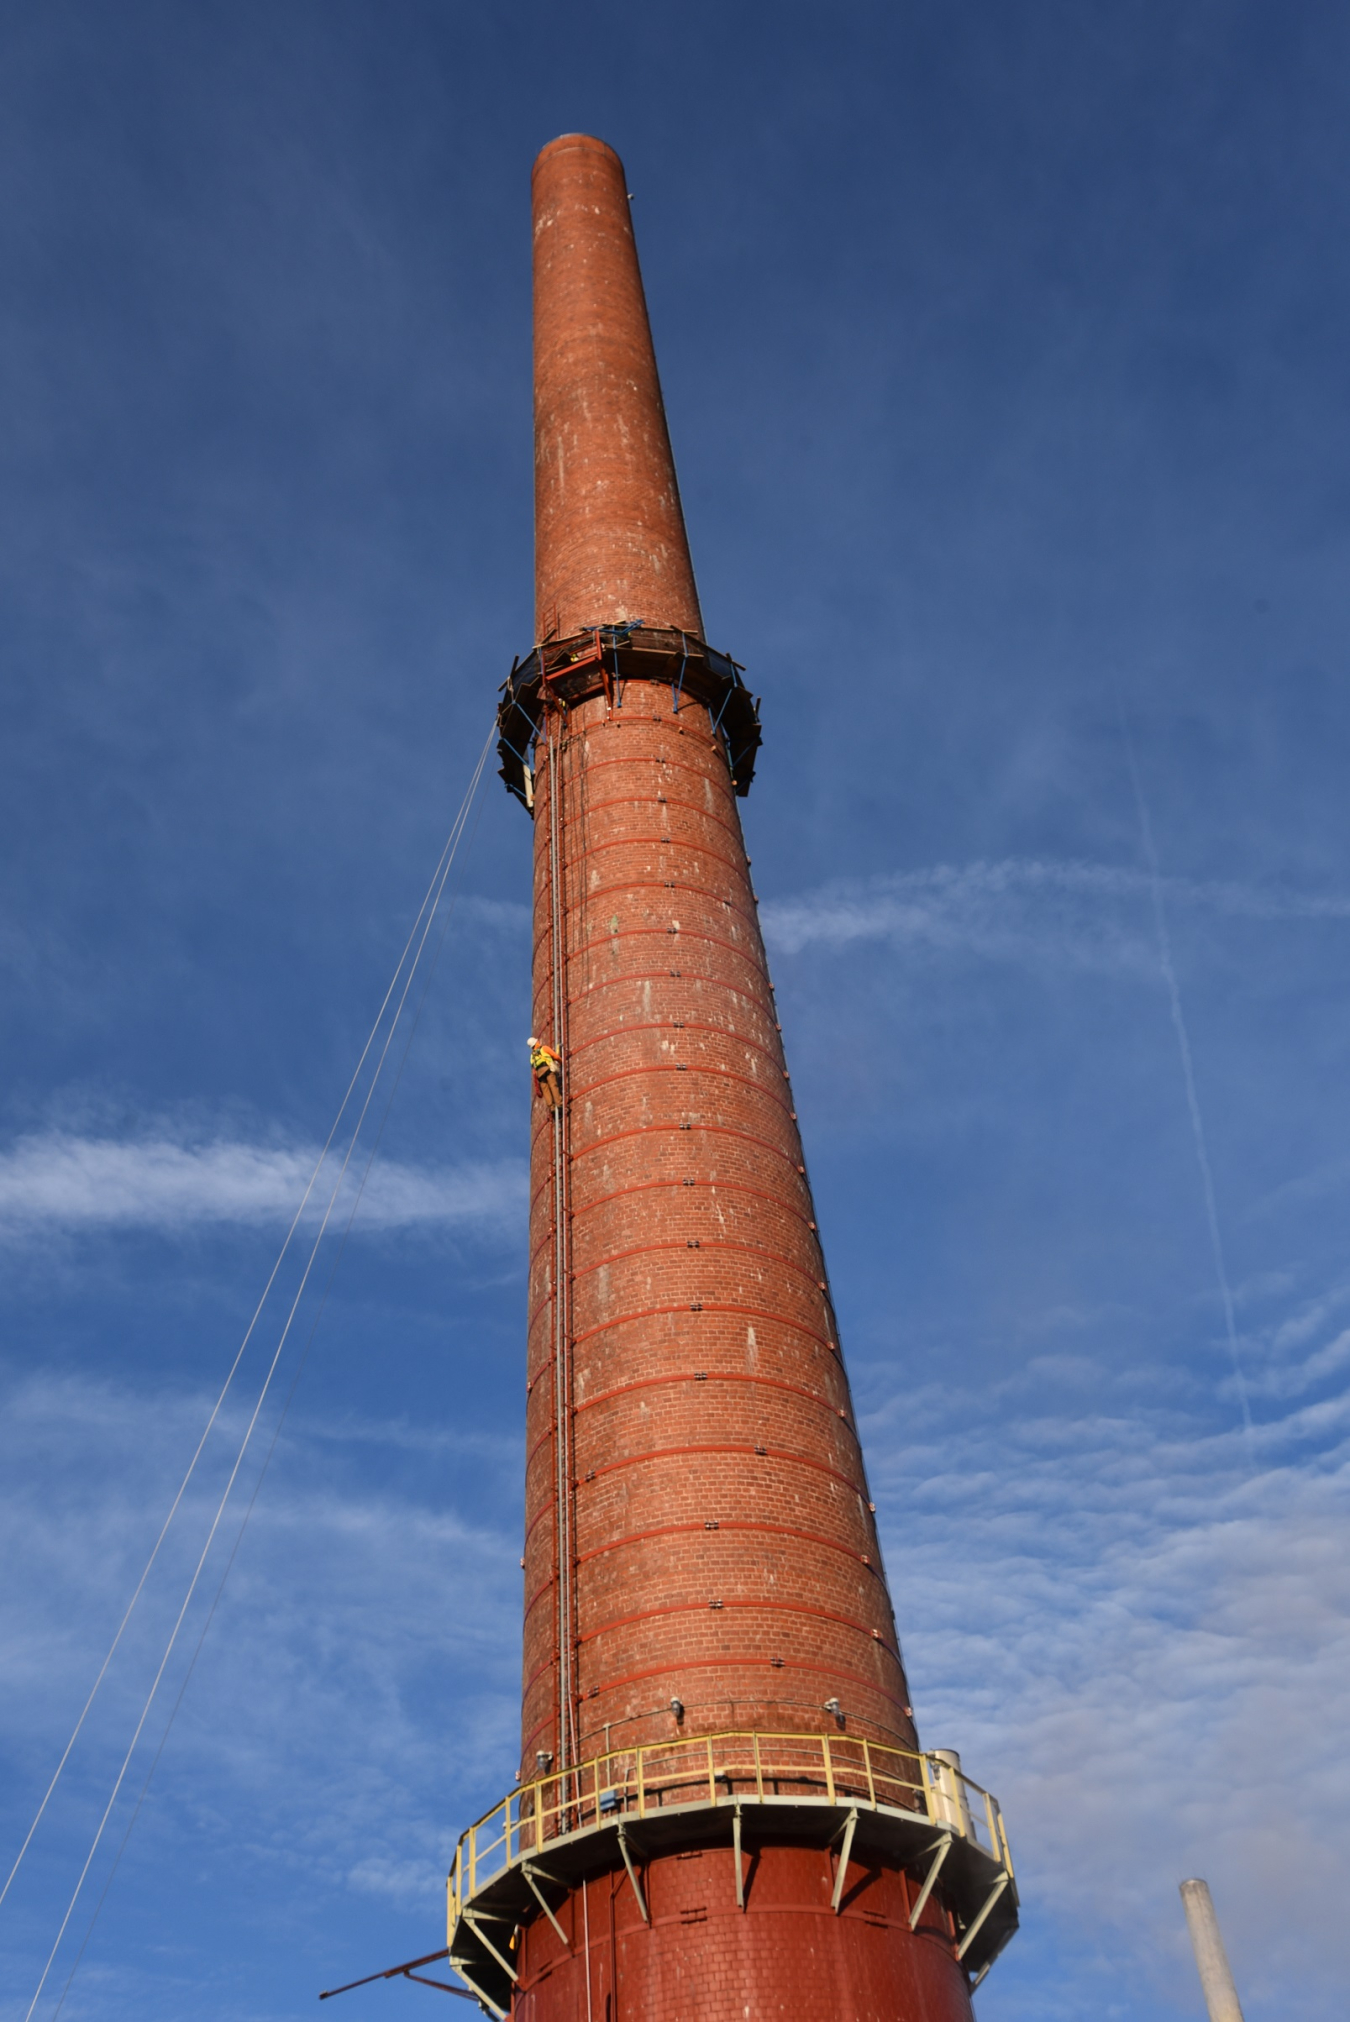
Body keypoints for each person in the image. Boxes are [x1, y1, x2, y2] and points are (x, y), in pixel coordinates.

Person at [528, 1035, 563, 1112]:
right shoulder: (544, 1048)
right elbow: (555, 1056)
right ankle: (559, 1103)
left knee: (546, 1091)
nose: (538, 1042)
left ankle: (551, 1107)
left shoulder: (532, 1056)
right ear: (536, 1043)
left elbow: (533, 1067)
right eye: (537, 1041)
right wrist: (561, 1062)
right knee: (553, 1085)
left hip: (539, 1075)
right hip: (547, 1069)